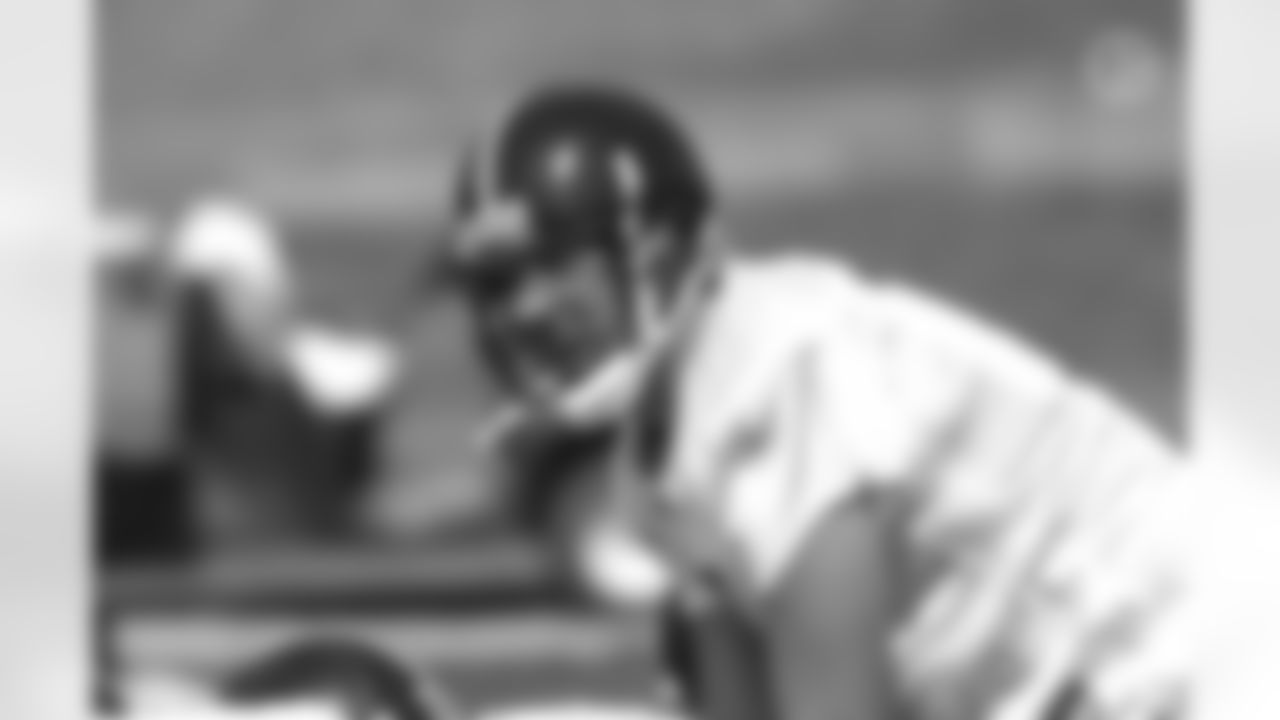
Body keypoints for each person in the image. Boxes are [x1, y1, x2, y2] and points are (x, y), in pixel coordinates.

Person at [431, 82, 1194, 720]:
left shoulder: (776, 380)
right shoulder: (657, 459)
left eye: (552, 264)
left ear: (656, 248)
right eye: (495, 283)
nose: (521, 310)